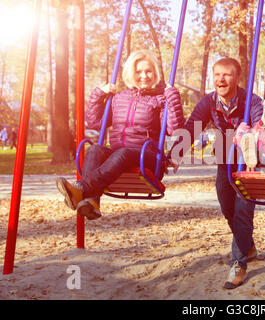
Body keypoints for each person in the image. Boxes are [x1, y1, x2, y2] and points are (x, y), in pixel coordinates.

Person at [56, 49, 184, 220]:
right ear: (131, 73)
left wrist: (173, 98)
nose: (144, 76)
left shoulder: (162, 99)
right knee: (94, 150)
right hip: (120, 155)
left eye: (148, 71)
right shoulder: (118, 98)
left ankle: (81, 188)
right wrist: (98, 95)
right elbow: (95, 123)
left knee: (123, 153)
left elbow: (175, 130)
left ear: (155, 73)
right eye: (138, 71)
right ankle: (92, 202)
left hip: (149, 157)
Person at [169, 57, 263, 289]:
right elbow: (192, 127)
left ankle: (238, 263)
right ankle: (247, 245)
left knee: (243, 209)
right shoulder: (209, 102)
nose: (221, 79)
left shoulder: (251, 99)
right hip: (224, 157)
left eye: (227, 74)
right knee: (226, 207)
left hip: (247, 160)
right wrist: (175, 153)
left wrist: (249, 136)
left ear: (237, 78)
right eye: (217, 74)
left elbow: (261, 128)